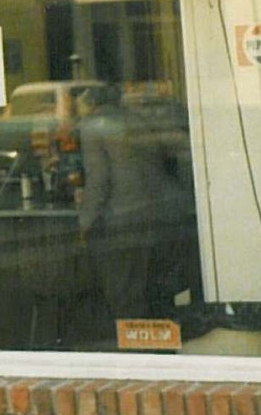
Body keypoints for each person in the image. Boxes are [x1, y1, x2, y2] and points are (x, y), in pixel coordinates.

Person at [75, 85, 192, 328]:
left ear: (89, 103)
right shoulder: (135, 118)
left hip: (125, 216)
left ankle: (134, 352)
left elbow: (99, 180)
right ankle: (158, 351)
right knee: (153, 292)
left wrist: (84, 222)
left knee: (125, 294)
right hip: (161, 211)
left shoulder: (94, 125)